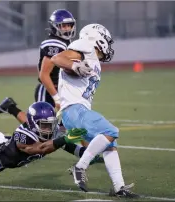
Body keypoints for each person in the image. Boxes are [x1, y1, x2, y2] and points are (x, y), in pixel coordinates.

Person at [50, 23, 139, 198]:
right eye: (107, 40)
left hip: (78, 111)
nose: (109, 45)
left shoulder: (94, 59)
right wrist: (75, 66)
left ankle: (119, 187)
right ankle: (80, 167)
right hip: (74, 110)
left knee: (110, 145)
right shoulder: (86, 46)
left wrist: (77, 67)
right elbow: (57, 58)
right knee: (111, 131)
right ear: (98, 37)